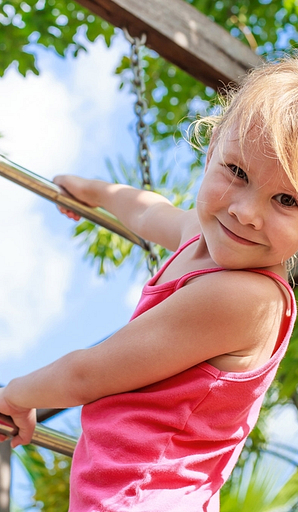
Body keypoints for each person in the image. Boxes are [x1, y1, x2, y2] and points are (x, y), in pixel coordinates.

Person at [0, 57, 298, 512]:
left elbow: (88, 374)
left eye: (286, 199)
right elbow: (146, 209)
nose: (245, 212)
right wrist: (91, 192)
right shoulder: (199, 238)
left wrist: (15, 395)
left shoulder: (248, 298)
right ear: (214, 141)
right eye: (237, 172)